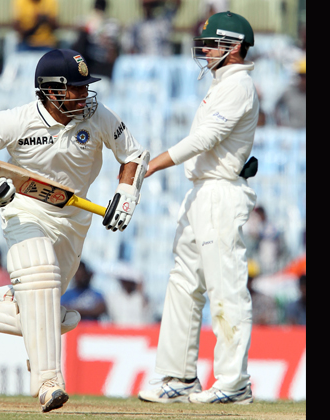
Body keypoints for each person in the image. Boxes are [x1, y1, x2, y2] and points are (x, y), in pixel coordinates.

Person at [0, 48, 149, 412]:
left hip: (74, 220)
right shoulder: (19, 120)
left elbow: (133, 155)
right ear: (50, 90)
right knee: (40, 275)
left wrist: (126, 197)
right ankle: (48, 381)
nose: (84, 95)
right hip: (25, 209)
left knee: (47, 315)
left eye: (85, 87)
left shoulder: (96, 116)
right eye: (75, 89)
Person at [137, 11, 259, 405]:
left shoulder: (239, 85)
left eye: (211, 43)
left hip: (221, 194)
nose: (204, 50)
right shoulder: (222, 85)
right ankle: (178, 376)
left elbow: (206, 138)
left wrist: (154, 163)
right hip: (200, 193)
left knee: (226, 287)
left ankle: (233, 382)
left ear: (234, 47)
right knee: (183, 283)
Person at [71, 0, 121, 79]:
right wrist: (89, 27)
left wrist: (100, 32)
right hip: (88, 58)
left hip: (103, 59)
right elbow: (76, 27)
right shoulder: (87, 21)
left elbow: (112, 46)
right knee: (80, 39)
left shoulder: (111, 24)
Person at [274, 58, 306, 128]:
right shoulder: (290, 92)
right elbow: (276, 106)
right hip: (293, 134)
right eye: (303, 76)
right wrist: (280, 123)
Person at [246, 259, 278, 325]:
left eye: (249, 278)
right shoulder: (232, 300)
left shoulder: (265, 301)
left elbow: (273, 323)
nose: (246, 281)